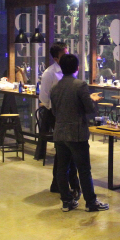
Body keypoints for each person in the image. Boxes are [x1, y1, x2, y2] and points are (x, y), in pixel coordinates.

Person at [50, 54, 109, 212]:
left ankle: (66, 201)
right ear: (77, 68)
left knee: (62, 169)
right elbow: (89, 109)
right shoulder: (80, 85)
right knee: (83, 169)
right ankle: (91, 202)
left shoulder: (55, 87)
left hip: (60, 132)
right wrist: (91, 100)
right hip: (76, 133)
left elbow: (54, 111)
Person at [35, 42, 80, 198]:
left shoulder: (70, 71)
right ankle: (63, 185)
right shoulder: (49, 73)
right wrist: (56, 109)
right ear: (56, 58)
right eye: (64, 54)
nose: (67, 56)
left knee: (66, 151)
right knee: (64, 150)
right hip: (55, 115)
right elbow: (44, 98)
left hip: (68, 114)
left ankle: (61, 184)